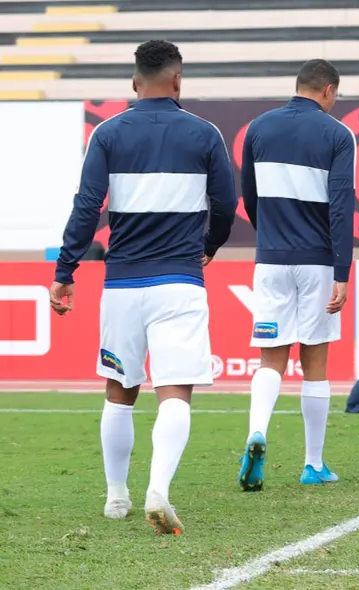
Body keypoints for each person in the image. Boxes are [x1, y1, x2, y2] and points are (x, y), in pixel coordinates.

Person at [49, 40, 238, 535]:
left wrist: (66, 270)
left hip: (123, 284)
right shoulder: (205, 133)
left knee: (119, 391)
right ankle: (159, 489)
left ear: (135, 82)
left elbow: (87, 205)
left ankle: (116, 496)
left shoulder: (109, 132)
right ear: (178, 80)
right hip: (180, 281)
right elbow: (226, 202)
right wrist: (211, 245)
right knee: (175, 391)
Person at [236, 59, 357, 491]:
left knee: (271, 357)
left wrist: (269, 232)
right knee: (315, 363)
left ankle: (258, 432)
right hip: (318, 260)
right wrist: (342, 270)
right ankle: (313, 464)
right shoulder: (338, 134)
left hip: (270, 257)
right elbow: (342, 206)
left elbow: (248, 195)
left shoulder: (259, 127)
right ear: (328, 90)